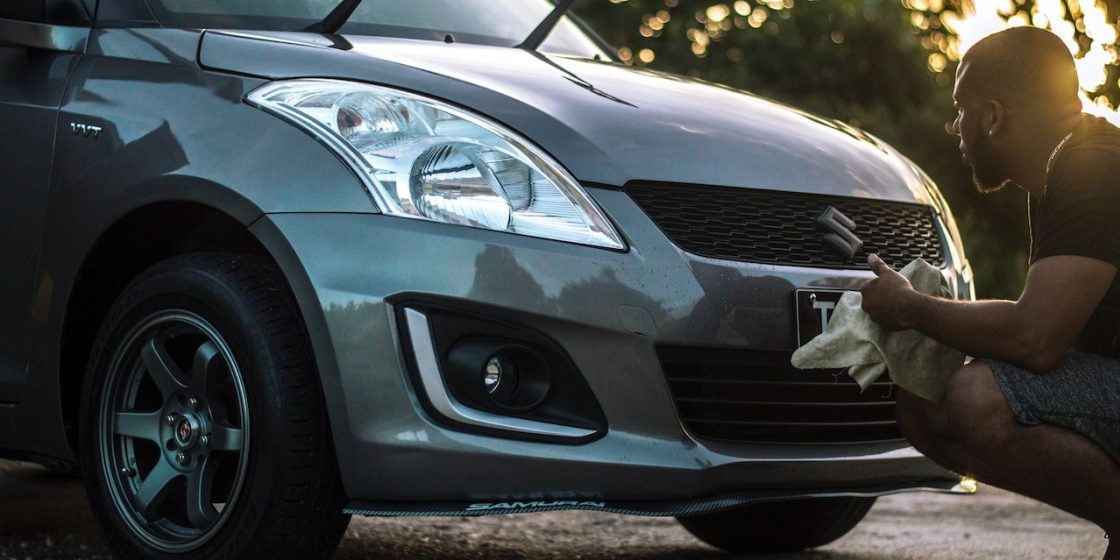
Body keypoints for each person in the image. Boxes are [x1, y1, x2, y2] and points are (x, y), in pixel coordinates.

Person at [860, 26, 1120, 559]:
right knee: (924, 402)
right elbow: (1054, 331)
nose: (954, 125)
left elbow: (1036, 338)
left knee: (974, 398)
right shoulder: (1066, 168)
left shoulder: (1093, 166)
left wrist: (912, 307)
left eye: (961, 108)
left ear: (994, 116)